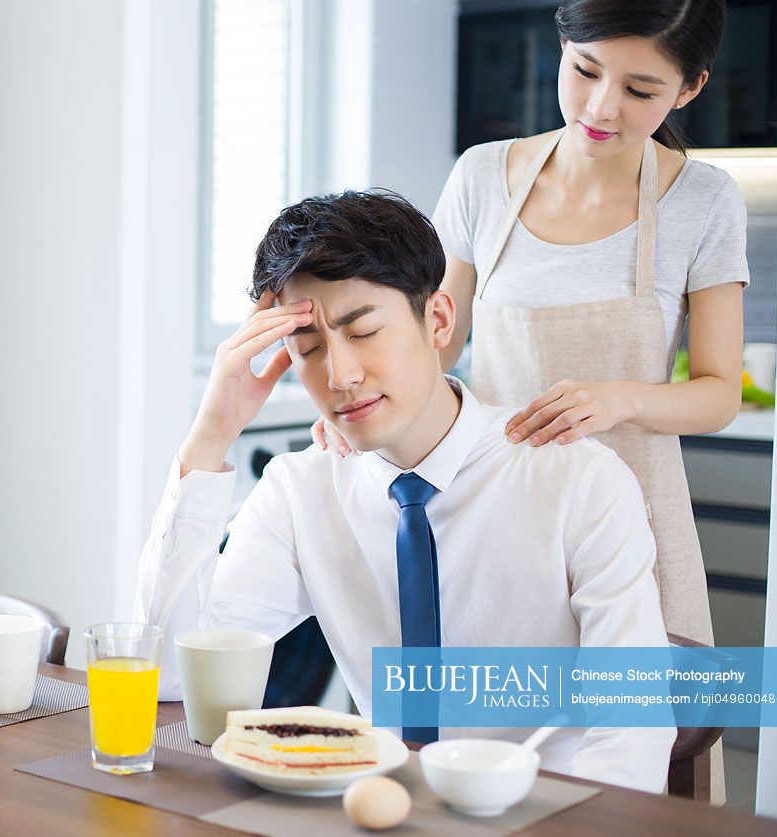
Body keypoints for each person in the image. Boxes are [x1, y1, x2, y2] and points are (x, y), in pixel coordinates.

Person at [135, 190, 676, 793]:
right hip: (376, 806)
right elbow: (170, 681)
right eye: (309, 349)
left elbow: (631, 729)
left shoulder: (578, 481)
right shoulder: (300, 491)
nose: (340, 377)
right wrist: (209, 440)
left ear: (438, 320)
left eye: (363, 331)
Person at [312, 0, 746, 659]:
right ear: (563, 46)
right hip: (491, 517)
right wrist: (363, 402)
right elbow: (434, 343)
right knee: (490, 742)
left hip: (634, 518)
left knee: (636, 745)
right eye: (584, 70)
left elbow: (718, 394)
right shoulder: (481, 177)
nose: (600, 108)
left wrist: (617, 397)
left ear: (689, 88)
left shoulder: (704, 201)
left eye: (638, 89)